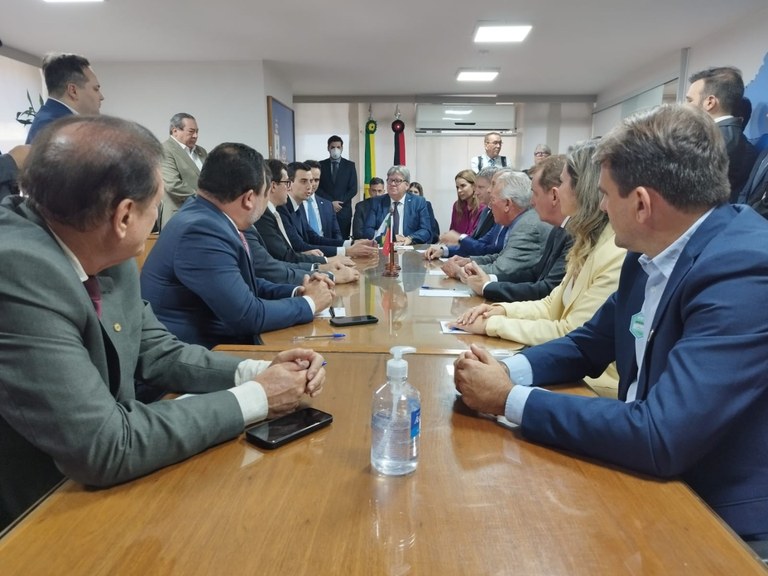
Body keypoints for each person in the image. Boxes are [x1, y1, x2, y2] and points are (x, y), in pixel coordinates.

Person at [453, 104, 768, 545]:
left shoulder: (743, 271)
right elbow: (587, 344)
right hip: (646, 474)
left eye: (603, 194)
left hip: (715, 518)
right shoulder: (647, 254)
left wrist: (509, 399)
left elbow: (661, 433)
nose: (597, 206)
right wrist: (509, 371)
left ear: (640, 204)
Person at [0, 115, 326, 531]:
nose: (163, 216)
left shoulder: (97, 242)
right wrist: (258, 398)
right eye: (157, 205)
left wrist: (261, 370)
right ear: (124, 216)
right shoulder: (18, 272)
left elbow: (157, 350)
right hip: (42, 512)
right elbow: (106, 445)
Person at [455, 141, 625, 396]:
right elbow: (550, 304)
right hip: (569, 367)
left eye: (563, 183)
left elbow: (570, 333)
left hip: (593, 385)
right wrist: (498, 309)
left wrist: (493, 324)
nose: (532, 203)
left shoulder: (615, 251)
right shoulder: (585, 241)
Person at [141, 144, 334, 349]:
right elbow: (247, 315)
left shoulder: (208, 216)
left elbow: (245, 285)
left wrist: (299, 292)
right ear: (250, 198)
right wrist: (310, 303)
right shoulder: (201, 231)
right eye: (266, 194)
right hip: (197, 356)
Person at [463, 155, 572, 303]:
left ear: (554, 196)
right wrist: (487, 281)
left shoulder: (534, 226)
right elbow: (534, 274)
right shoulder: (558, 229)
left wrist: (486, 286)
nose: (531, 201)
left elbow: (547, 289)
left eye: (535, 193)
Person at [441, 170, 551, 280]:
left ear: (507, 204)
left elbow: (501, 270)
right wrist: (470, 261)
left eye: (493, 200)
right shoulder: (520, 221)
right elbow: (502, 257)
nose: (489, 205)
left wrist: (460, 272)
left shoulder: (527, 226)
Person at [685, 66, 757, 201]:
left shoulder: (713, 141)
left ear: (710, 102)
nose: (685, 106)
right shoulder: (732, 138)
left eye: (689, 100)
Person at [278, 162, 378, 258]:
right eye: (304, 181)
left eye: (311, 181)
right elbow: (299, 247)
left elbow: (314, 238)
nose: (310, 186)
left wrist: (351, 243)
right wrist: (346, 251)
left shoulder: (296, 207)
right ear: (289, 184)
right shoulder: (283, 209)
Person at [25, 53, 104, 144]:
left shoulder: (50, 121)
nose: (101, 97)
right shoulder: (59, 129)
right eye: (96, 89)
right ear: (73, 91)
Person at [360, 166, 433, 245]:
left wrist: (410, 238)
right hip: (384, 248)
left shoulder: (418, 202)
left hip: (410, 248)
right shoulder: (377, 202)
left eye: (397, 181)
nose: (392, 184)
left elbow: (426, 230)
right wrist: (390, 238)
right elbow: (367, 231)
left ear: (407, 185)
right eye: (390, 180)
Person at [160, 113, 208, 228]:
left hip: (204, 216)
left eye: (197, 131)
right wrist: (206, 198)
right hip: (179, 216)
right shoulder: (165, 150)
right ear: (175, 131)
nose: (195, 135)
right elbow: (173, 185)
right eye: (191, 131)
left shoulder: (201, 151)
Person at [317, 135, 358, 238]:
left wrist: (339, 203)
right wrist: (331, 203)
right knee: (326, 239)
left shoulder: (350, 165)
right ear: (328, 148)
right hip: (325, 208)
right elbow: (317, 188)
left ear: (342, 148)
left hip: (343, 210)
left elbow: (353, 189)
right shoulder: (320, 165)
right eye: (332, 147)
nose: (335, 150)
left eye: (338, 147)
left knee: (343, 240)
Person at [304, 159, 343, 240]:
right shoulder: (295, 205)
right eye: (310, 180)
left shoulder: (328, 205)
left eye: (316, 180)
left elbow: (336, 234)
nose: (313, 184)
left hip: (328, 250)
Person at [448, 169, 484, 236]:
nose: (459, 190)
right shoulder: (457, 206)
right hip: (454, 245)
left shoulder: (483, 207)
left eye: (463, 186)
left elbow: (476, 237)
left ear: (474, 186)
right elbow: (452, 231)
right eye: (457, 187)